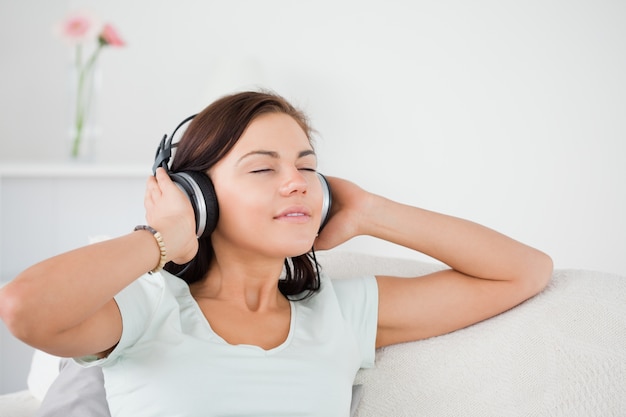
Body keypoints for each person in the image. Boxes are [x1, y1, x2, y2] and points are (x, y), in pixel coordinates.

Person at [0, 91, 553, 417]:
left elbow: (523, 272)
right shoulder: (147, 309)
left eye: (308, 167)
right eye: (263, 168)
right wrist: (164, 238)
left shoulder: (340, 316)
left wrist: (369, 211)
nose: (297, 183)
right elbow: (25, 308)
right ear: (200, 196)